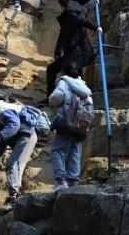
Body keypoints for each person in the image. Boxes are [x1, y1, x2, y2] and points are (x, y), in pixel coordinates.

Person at [0, 95, 38, 209]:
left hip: (26, 136)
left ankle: (13, 198)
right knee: (16, 166)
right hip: (25, 136)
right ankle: (16, 196)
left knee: (12, 165)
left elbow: (15, 125)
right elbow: (3, 142)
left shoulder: (1, 110)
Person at [49, 59, 93, 190]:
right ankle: (73, 182)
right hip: (81, 124)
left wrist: (50, 100)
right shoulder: (83, 86)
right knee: (75, 150)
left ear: (63, 71)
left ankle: (61, 181)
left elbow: (56, 98)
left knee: (57, 150)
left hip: (67, 122)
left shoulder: (64, 82)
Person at [45, 0, 101, 96]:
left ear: (61, 5)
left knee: (69, 71)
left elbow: (82, 21)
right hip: (75, 52)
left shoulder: (70, 15)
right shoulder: (77, 10)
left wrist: (96, 27)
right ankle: (51, 97)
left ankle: (74, 98)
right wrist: (95, 0)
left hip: (79, 53)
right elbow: (87, 7)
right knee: (52, 69)